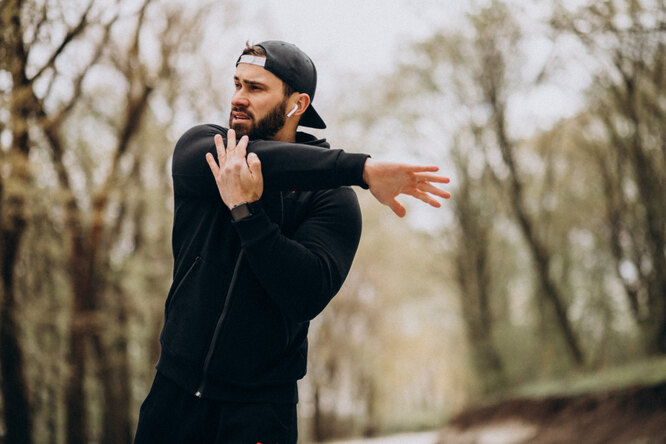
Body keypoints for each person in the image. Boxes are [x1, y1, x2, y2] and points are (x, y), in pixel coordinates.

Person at [134, 40, 450, 444]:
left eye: (256, 88)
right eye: (237, 84)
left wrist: (247, 213)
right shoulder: (205, 151)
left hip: (261, 414)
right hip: (172, 396)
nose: (238, 99)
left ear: (296, 105)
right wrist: (362, 169)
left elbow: (305, 293)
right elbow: (255, 160)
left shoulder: (332, 197)